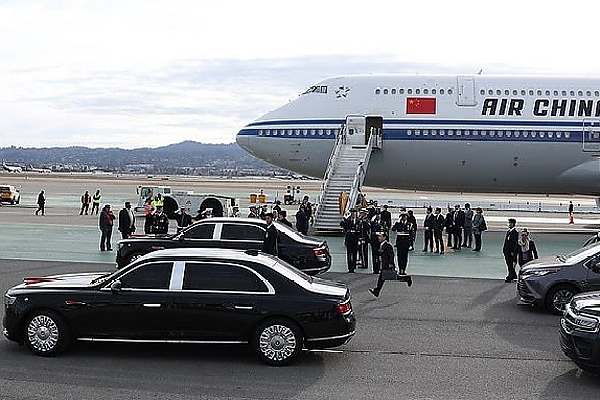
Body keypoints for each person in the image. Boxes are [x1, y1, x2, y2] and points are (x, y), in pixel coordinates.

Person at [369, 232, 412, 297]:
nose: (379, 238)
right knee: (382, 278)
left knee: (393, 277)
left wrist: (391, 263)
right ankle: (377, 291)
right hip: (384, 264)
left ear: (384, 237)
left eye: (380, 236)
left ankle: (407, 278)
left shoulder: (388, 245)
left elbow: (391, 255)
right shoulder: (381, 245)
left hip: (387, 265)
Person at [340, 209, 360, 273]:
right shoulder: (347, 220)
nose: (353, 214)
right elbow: (342, 224)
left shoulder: (358, 220)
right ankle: (350, 268)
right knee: (349, 253)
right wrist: (344, 219)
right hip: (349, 237)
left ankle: (353, 266)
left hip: (355, 237)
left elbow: (360, 229)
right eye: (352, 213)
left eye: (354, 213)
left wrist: (360, 238)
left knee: (354, 253)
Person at [503, 218, 519, 283]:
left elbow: (514, 243)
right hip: (506, 250)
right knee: (508, 263)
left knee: (510, 264)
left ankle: (510, 276)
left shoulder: (515, 233)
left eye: (510, 223)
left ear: (513, 224)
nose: (509, 224)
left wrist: (513, 251)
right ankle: (513, 275)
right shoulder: (509, 231)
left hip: (510, 251)